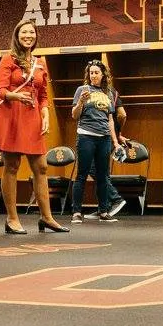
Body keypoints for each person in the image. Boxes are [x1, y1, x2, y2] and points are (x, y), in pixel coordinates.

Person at [0, 19, 69, 234]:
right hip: (11, 115)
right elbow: (1, 91)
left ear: (36, 37)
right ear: (17, 35)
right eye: (24, 32)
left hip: (32, 116)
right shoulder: (8, 59)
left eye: (31, 33)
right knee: (12, 166)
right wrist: (16, 96)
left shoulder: (40, 62)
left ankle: (47, 218)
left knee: (41, 167)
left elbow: (43, 95)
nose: (28, 36)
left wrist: (46, 113)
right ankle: (12, 219)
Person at [70, 60, 120, 225]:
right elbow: (74, 115)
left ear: (103, 74)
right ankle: (77, 212)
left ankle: (104, 211)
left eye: (96, 72)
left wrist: (115, 141)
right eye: (91, 73)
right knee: (82, 174)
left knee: (103, 176)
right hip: (86, 136)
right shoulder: (82, 90)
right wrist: (80, 102)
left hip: (104, 138)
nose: (93, 76)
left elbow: (110, 119)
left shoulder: (109, 93)